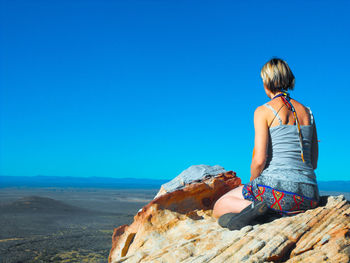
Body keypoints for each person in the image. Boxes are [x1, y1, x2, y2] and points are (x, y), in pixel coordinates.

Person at [212, 57, 320, 230]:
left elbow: (259, 160)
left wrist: (253, 184)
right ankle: (261, 213)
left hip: (277, 191)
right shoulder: (308, 112)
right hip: (310, 195)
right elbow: (313, 163)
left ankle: (265, 214)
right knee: (244, 201)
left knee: (220, 205)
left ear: (266, 81)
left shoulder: (263, 111)